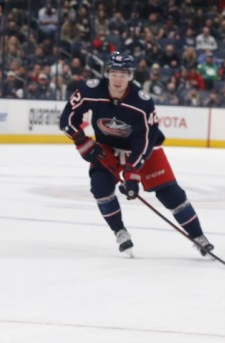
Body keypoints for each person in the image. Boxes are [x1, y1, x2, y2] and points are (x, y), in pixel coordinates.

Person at [59, 52, 213, 256]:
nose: (118, 79)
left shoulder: (142, 102)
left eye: (123, 74)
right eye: (114, 73)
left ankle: (198, 236)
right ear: (107, 73)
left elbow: (145, 140)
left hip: (142, 149)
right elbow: (67, 119)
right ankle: (119, 231)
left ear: (131, 76)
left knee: (171, 194)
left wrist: (132, 172)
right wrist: (82, 141)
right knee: (100, 186)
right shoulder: (90, 90)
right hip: (107, 145)